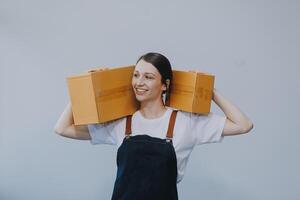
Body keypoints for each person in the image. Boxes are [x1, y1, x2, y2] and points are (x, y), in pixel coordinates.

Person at [54, 52, 254, 200]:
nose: (139, 82)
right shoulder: (122, 122)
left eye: (148, 77)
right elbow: (62, 128)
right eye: (136, 75)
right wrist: (85, 87)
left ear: (164, 85)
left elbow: (243, 125)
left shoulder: (187, 122)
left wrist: (209, 91)